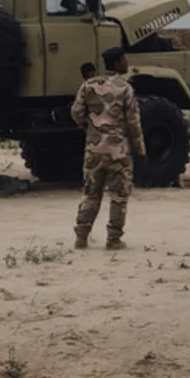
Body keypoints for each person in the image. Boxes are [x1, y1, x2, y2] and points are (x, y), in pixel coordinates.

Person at [69, 47, 146, 250]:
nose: (127, 63)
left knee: (90, 193)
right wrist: (140, 150)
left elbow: (76, 111)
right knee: (118, 196)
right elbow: (133, 123)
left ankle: (81, 236)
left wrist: (89, 128)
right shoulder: (125, 88)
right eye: (125, 59)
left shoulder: (89, 85)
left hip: (93, 150)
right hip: (118, 151)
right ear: (119, 62)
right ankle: (113, 239)